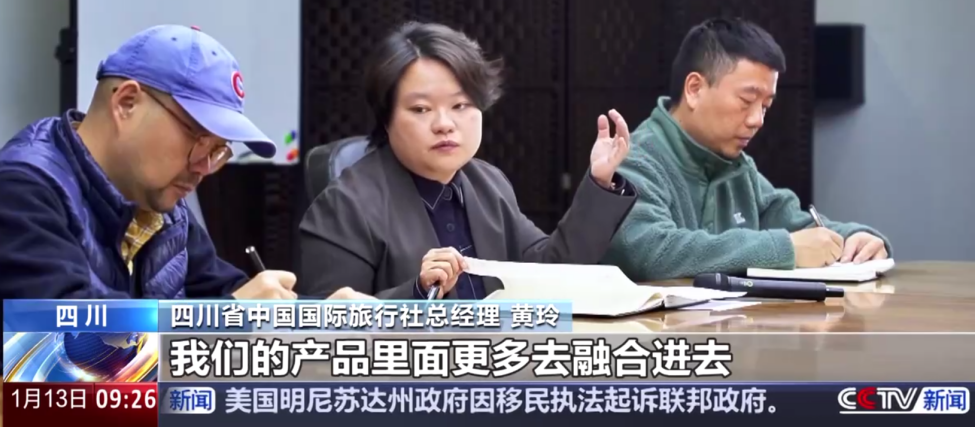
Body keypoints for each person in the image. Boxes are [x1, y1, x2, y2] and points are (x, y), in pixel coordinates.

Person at [0, 25, 369, 386]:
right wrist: (231, 319)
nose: (204, 167)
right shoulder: (20, 190)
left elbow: (226, 294)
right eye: (198, 139)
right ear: (126, 102)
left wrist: (323, 318)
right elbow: (75, 357)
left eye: (219, 151)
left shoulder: (161, 205)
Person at [296, 21, 639, 300]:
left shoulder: (488, 183)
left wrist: (600, 181)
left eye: (460, 105)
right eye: (421, 109)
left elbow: (548, 272)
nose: (444, 123)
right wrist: (416, 293)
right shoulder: (344, 206)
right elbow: (329, 322)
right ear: (386, 119)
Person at [602, 17, 891, 281]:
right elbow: (649, 251)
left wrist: (855, 239)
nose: (757, 120)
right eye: (746, 101)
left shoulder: (738, 168)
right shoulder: (634, 159)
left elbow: (794, 222)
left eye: (765, 106)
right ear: (694, 89)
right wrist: (784, 249)